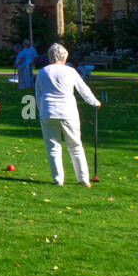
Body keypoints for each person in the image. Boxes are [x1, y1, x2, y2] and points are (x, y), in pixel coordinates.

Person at [35, 43, 101, 186]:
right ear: (64, 57)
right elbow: (83, 89)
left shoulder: (43, 71)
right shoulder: (70, 71)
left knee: (53, 147)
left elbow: (38, 94)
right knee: (75, 146)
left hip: (48, 111)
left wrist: (41, 110)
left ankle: (58, 179)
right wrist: (94, 102)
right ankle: (83, 178)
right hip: (67, 112)